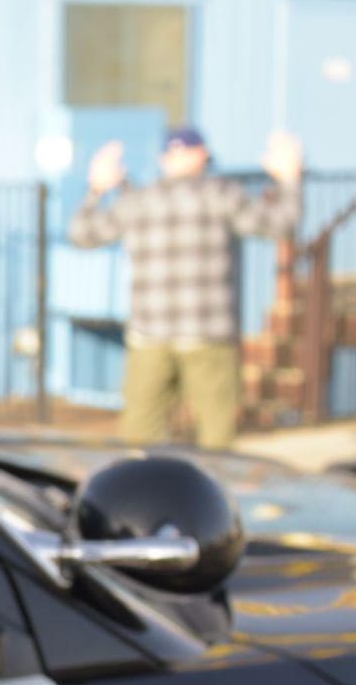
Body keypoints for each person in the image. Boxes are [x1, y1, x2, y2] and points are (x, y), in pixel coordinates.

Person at [70, 126, 303, 450]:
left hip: (150, 335)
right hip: (208, 335)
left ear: (164, 159)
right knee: (216, 443)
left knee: (139, 441)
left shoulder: (139, 200)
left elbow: (82, 233)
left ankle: (139, 498)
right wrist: (289, 178)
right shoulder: (222, 195)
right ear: (203, 154)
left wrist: (95, 189)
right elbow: (282, 224)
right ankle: (211, 497)